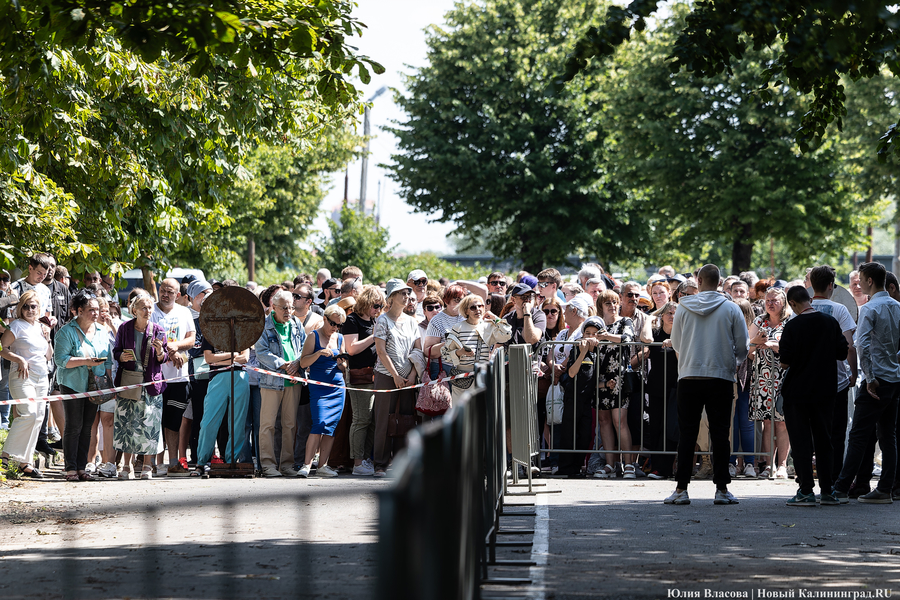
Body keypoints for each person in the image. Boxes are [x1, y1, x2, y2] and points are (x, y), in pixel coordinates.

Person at [665, 264, 748, 506]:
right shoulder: (731, 308)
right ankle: (721, 489)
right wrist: (731, 361)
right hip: (720, 376)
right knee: (721, 434)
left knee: (687, 433)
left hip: (690, 375)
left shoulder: (683, 308)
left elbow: (677, 343)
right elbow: (742, 345)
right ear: (720, 282)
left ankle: (681, 489)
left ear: (699, 281)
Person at [832, 262, 900, 504]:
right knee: (888, 435)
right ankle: (885, 488)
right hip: (893, 379)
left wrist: (870, 379)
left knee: (859, 434)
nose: (859, 283)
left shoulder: (870, 309)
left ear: (870, 281)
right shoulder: (897, 306)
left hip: (877, 380)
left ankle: (840, 487)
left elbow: (863, 347)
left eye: (861, 279)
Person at [779, 286, 849, 506]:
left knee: (801, 442)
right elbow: (842, 352)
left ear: (792, 303)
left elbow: (784, 361)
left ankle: (806, 491)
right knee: (824, 440)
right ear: (809, 299)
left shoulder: (792, 325)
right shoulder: (830, 323)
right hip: (826, 390)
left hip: (797, 391)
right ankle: (828, 490)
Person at [54, 290, 114, 482]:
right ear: (79, 311)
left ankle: (82, 467)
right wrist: (86, 361)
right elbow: (61, 360)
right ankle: (70, 468)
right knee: (73, 426)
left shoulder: (102, 331)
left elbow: (107, 360)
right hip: (72, 384)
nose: (95, 313)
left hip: (94, 384)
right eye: (90, 310)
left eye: (97, 309)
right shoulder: (66, 332)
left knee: (88, 426)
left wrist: (107, 380)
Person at [808, 265, 859, 479]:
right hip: (835, 380)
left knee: (810, 432)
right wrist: (853, 373)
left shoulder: (803, 309)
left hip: (807, 381)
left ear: (810, 284)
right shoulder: (840, 310)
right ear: (831, 285)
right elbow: (849, 345)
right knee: (836, 432)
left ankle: (807, 479)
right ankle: (834, 480)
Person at [112, 293, 169, 480]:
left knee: (149, 425)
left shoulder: (159, 330)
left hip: (151, 383)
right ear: (134, 310)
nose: (148, 311)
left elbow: (164, 358)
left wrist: (160, 351)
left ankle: (147, 466)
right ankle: (126, 466)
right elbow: (116, 351)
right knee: (128, 424)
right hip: (129, 380)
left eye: (150, 307)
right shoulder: (124, 328)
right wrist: (121, 356)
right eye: (143, 307)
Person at [372, 279, 421, 477]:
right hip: (385, 376)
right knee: (384, 419)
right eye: (402, 293)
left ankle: (402, 463)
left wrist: (411, 375)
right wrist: (395, 375)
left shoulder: (411, 321)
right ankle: (380, 464)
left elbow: (418, 349)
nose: (406, 296)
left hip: (408, 378)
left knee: (406, 420)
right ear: (391, 297)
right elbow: (381, 352)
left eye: (408, 293)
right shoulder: (382, 320)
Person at [0, 290, 52, 478]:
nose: (30, 310)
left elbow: (48, 356)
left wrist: (48, 337)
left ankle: (25, 462)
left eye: (34, 306)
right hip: (22, 376)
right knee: (28, 414)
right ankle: (5, 457)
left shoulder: (40, 327)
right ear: (21, 308)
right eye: (26, 306)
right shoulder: (16, 326)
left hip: (41, 377)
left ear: (39, 308)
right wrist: (19, 359)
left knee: (38, 418)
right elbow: (2, 349)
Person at [255, 289, 306, 477]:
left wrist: (298, 363)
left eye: (291, 307)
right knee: (267, 425)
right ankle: (268, 465)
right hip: (272, 381)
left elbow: (304, 346)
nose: (289, 312)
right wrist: (283, 365)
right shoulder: (263, 325)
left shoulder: (296, 323)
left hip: (294, 380)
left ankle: (286, 465)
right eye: (284, 308)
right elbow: (261, 352)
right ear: (273, 307)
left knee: (290, 425)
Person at [151, 278, 196, 475]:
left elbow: (192, 338)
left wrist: (176, 347)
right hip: (155, 376)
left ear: (178, 295)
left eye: (170, 291)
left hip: (178, 378)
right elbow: (148, 337)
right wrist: (171, 352)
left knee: (173, 422)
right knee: (154, 420)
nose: (165, 294)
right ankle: (152, 463)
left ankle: (172, 463)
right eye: (163, 290)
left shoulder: (184, 312)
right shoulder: (150, 310)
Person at [297, 305, 348, 478]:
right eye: (333, 323)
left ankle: (323, 465)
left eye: (339, 325)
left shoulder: (340, 338)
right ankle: (306, 465)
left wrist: (342, 364)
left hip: (337, 387)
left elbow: (344, 364)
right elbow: (303, 363)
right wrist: (319, 353)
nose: (335, 328)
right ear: (324, 319)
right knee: (319, 423)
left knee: (331, 427)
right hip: (319, 387)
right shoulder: (314, 336)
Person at [748, 286, 792, 479]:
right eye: (768, 300)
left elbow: (796, 348)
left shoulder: (791, 321)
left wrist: (777, 346)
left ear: (783, 302)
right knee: (767, 422)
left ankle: (782, 465)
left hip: (784, 377)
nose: (771, 304)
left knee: (782, 422)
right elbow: (748, 352)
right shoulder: (759, 321)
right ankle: (768, 465)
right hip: (763, 378)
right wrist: (756, 342)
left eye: (775, 300)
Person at [593, 290, 636, 477]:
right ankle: (610, 464)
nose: (612, 306)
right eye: (608, 303)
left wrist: (605, 337)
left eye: (615, 302)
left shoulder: (625, 321)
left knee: (620, 421)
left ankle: (628, 465)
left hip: (619, 377)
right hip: (600, 377)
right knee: (604, 421)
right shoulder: (596, 323)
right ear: (601, 306)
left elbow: (627, 339)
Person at [344, 285, 384, 476]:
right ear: (366, 302)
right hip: (359, 375)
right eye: (376, 305)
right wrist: (374, 336)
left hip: (376, 374)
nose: (378, 309)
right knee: (361, 419)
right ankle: (358, 463)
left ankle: (365, 459)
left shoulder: (375, 319)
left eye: (381, 306)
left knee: (374, 420)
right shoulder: (352, 320)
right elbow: (351, 349)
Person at [558, 317, 605, 477]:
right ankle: (566, 468)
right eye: (587, 333)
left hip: (587, 400)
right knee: (569, 433)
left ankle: (578, 467)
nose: (590, 336)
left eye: (594, 334)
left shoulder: (599, 351)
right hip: (573, 397)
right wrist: (583, 352)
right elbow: (571, 372)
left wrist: (606, 385)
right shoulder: (577, 348)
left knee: (585, 434)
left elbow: (593, 380)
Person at [442, 294, 511, 403]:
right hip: (462, 379)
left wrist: (495, 318)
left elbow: (507, 334)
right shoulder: (458, 327)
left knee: (482, 415)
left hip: (483, 376)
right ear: (466, 311)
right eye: (473, 307)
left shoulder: (488, 326)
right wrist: (460, 352)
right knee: (462, 416)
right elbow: (445, 355)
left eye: (481, 306)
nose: (478, 309)